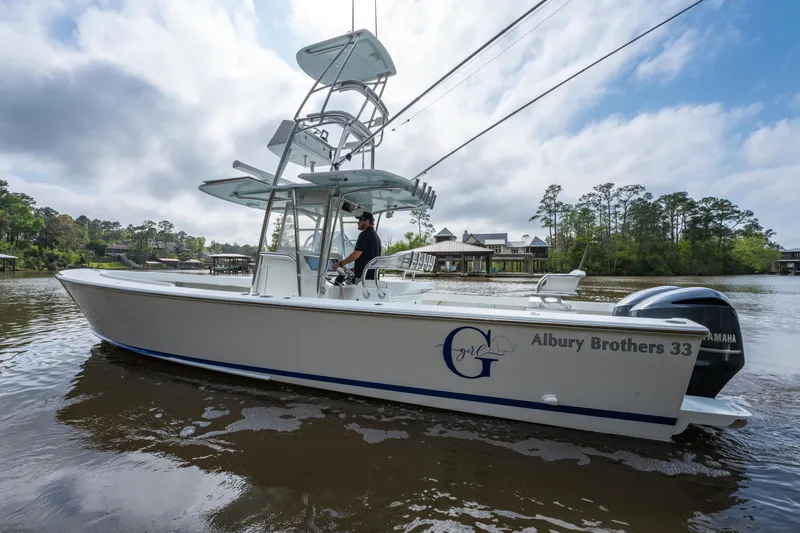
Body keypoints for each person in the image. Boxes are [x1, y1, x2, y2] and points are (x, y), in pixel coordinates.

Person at [331, 211, 381, 282]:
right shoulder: (375, 236)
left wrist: (340, 264)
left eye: (360, 220)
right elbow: (369, 256)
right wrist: (354, 269)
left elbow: (355, 254)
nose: (358, 223)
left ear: (367, 221)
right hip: (372, 277)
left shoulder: (364, 234)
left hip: (363, 277)